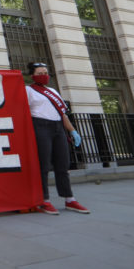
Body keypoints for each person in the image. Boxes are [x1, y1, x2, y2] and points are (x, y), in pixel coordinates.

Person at [25, 62, 89, 215]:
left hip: (58, 128)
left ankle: (69, 199)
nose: (44, 75)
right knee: (44, 165)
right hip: (40, 127)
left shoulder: (53, 91)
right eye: (40, 73)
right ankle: (44, 200)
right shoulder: (28, 90)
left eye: (46, 72)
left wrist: (73, 131)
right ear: (32, 75)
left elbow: (62, 114)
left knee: (63, 164)